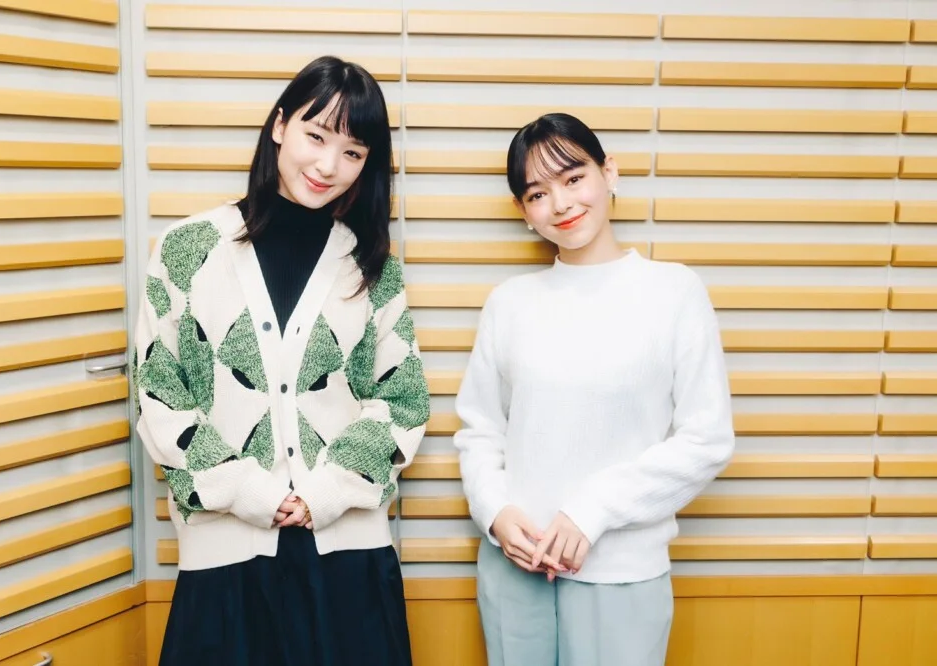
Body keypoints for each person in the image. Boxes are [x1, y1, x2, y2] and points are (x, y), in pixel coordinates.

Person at [132, 55, 430, 666]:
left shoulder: (371, 266)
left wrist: (325, 491)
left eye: (353, 152)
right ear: (279, 125)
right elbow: (159, 392)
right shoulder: (189, 248)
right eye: (316, 136)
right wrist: (248, 490)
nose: (328, 165)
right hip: (225, 562)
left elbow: (401, 399)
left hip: (349, 560)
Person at [453, 112, 735, 666]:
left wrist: (593, 510)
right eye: (538, 194)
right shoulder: (509, 303)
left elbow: (707, 440)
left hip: (621, 574)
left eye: (574, 178)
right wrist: (495, 512)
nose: (560, 204)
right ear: (523, 212)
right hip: (514, 570)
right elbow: (480, 430)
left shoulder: (674, 292)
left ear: (610, 173)